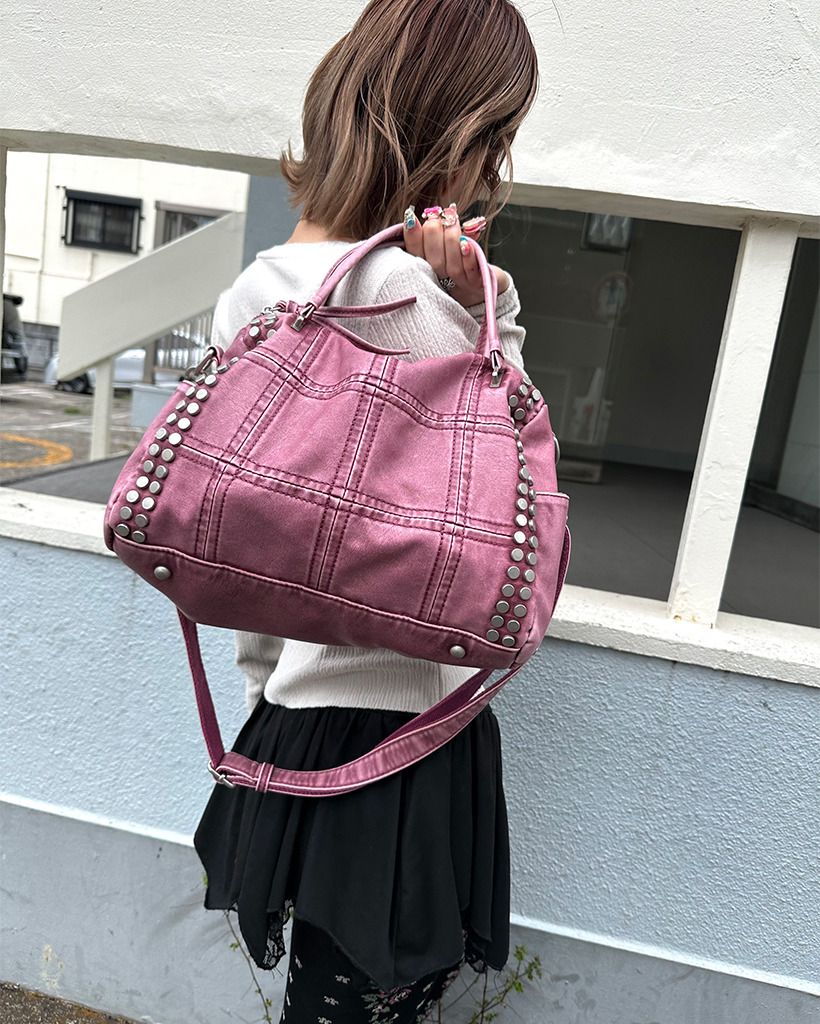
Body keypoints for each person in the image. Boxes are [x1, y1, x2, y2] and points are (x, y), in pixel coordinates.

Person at [193, 1, 539, 1020]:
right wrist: (491, 314)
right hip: (406, 729)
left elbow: (249, 545)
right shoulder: (416, 302)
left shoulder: (255, 294)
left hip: (292, 713)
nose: (494, 164)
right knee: (372, 1003)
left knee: (328, 997)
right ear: (456, 133)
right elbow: (516, 507)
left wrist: (268, 687)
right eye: (494, 137)